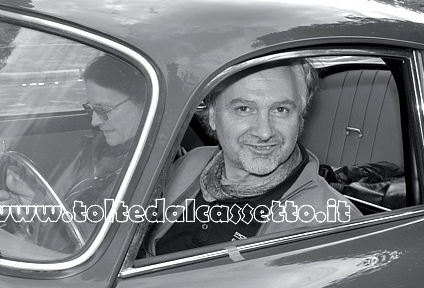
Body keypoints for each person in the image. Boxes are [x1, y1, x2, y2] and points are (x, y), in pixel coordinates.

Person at [143, 60, 362, 256]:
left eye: (281, 110)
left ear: (300, 118)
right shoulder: (191, 164)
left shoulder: (330, 226)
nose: (264, 132)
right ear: (212, 116)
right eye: (244, 108)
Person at [0, 54, 147, 242]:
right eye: (91, 109)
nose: (94, 121)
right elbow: (73, 222)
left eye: (104, 110)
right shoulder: (99, 152)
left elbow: (102, 248)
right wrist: (30, 198)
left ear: (145, 103)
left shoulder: (149, 175)